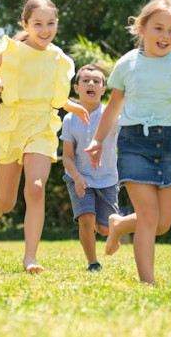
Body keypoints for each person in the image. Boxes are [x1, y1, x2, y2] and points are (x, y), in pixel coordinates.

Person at [85, 0, 171, 284]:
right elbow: (114, 107)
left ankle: (118, 224)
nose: (166, 36)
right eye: (158, 28)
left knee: (162, 224)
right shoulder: (128, 64)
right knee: (148, 216)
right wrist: (97, 140)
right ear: (142, 29)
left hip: (170, 144)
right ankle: (148, 282)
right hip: (134, 143)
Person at [0, 0, 89, 273]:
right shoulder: (12, 51)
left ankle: (30, 257)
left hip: (41, 124)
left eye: (50, 23)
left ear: (57, 23)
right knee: (8, 200)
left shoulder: (59, 58)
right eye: (38, 23)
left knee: (35, 188)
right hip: (11, 124)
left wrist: (71, 105)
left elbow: (55, 96)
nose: (45, 29)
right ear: (25, 24)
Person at [61, 65, 119, 272]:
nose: (91, 84)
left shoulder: (113, 115)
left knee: (104, 229)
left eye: (97, 81)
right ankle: (93, 263)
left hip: (108, 178)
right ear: (76, 88)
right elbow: (67, 157)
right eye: (85, 80)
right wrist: (76, 177)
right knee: (86, 219)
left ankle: (114, 230)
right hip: (79, 177)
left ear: (104, 89)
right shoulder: (69, 119)